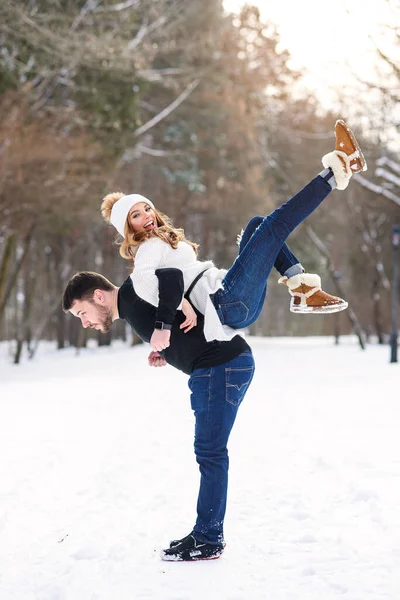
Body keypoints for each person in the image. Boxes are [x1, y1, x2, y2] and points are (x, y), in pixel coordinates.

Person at [62, 120, 366, 561]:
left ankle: (335, 173)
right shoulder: (136, 291)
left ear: (94, 295)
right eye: (136, 215)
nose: (85, 322)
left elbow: (166, 280)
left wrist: (165, 325)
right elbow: (173, 285)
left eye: (81, 314)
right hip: (225, 328)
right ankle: (299, 284)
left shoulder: (136, 278)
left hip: (227, 320)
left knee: (268, 224)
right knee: (261, 228)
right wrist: (166, 341)